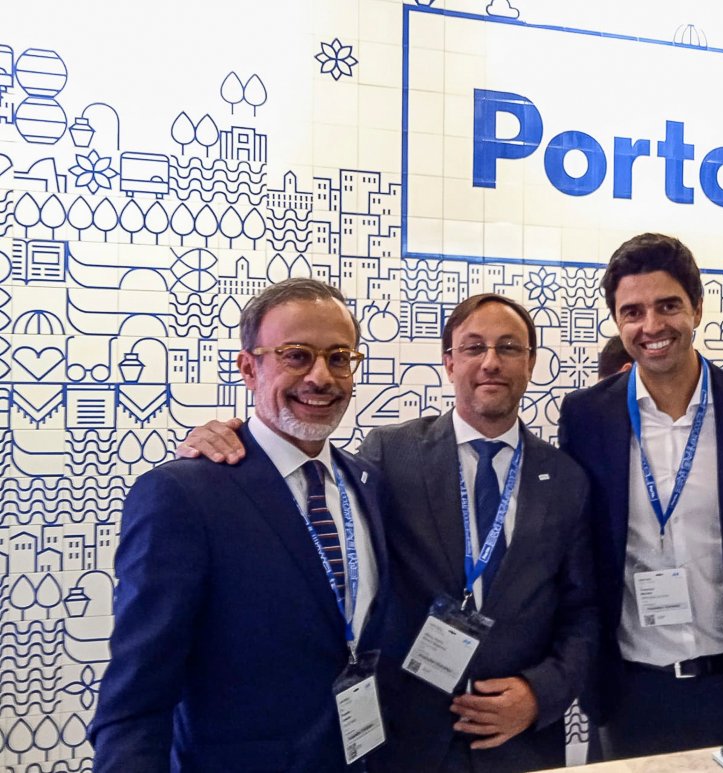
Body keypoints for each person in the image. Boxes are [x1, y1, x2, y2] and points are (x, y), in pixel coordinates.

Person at [177, 293, 597, 773]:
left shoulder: (566, 478)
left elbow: (584, 610)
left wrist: (539, 694)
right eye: (473, 347)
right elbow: (301, 493)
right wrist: (227, 440)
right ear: (449, 362)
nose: (490, 362)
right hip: (407, 737)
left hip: (520, 742)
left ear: (530, 362)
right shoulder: (389, 455)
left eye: (508, 347)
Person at [91, 278, 391, 772]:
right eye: (296, 356)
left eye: (339, 358)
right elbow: (137, 695)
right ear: (249, 368)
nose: (321, 377)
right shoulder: (184, 494)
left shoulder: (368, 482)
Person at [558, 233, 723, 758]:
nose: (651, 326)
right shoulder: (586, 417)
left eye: (668, 306)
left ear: (696, 307)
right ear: (617, 321)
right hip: (630, 690)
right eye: (632, 312)